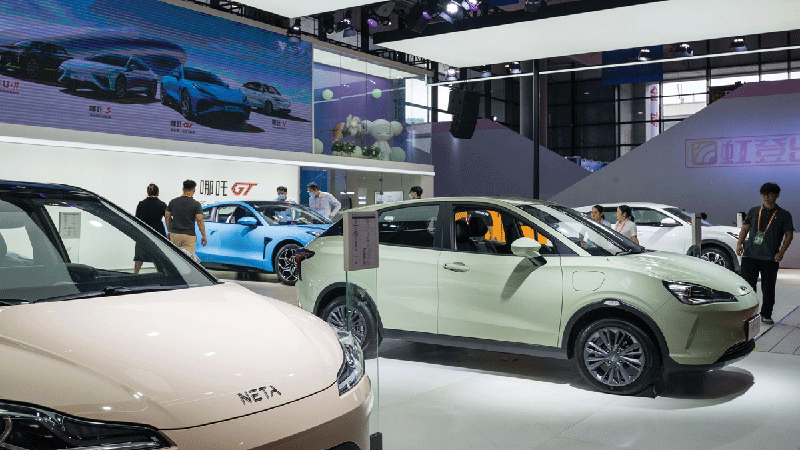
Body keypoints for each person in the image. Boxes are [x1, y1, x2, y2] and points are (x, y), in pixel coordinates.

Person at [736, 182, 794, 325]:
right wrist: (739, 243)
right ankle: (748, 313)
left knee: (768, 288)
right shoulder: (754, 211)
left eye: (770, 194)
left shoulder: (784, 215)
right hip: (750, 255)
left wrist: (781, 252)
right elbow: (745, 228)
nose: (766, 197)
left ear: (777, 195)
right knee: (747, 287)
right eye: (764, 194)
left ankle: (766, 314)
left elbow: (789, 235)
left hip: (770, 257)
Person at [165, 180, 207, 255]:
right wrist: (203, 235)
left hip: (175, 235)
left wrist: (169, 231)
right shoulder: (196, 204)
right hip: (189, 236)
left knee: (174, 257)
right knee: (188, 259)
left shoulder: (173, 202)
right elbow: (199, 220)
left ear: (183, 189)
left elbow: (167, 216)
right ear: (194, 190)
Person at [133, 183, 167, 274]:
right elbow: (168, 219)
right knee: (157, 256)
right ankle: (161, 274)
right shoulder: (162, 204)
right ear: (158, 192)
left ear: (147, 192)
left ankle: (135, 274)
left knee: (139, 256)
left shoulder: (141, 204)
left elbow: (136, 219)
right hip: (158, 233)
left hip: (143, 232)